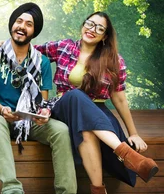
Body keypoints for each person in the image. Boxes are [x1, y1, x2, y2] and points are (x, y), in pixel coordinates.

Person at [33, 12, 159, 193]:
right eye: (90, 24)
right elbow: (29, 51)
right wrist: (3, 45)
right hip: (63, 106)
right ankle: (129, 156)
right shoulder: (64, 46)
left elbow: (120, 98)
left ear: (105, 36)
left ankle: (99, 189)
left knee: (87, 131)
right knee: (75, 96)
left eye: (99, 28)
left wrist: (134, 133)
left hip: (97, 112)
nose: (92, 30)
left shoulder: (114, 60)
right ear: (83, 24)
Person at [0, 2, 76, 194]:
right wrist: (2, 109)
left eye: (28, 24)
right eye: (19, 21)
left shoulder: (41, 61)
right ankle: (11, 189)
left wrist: (43, 113)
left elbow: (42, 101)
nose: (22, 27)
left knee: (60, 130)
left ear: (34, 31)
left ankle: (67, 191)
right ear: (12, 24)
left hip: (27, 119)